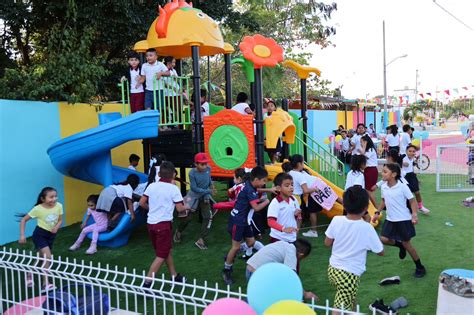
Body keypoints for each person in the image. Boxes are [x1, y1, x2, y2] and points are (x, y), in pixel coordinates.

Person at [325, 186, 384, 313]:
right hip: (349, 275)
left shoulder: (336, 220)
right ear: (365, 209)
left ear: (344, 206)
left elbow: (327, 242)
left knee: (349, 298)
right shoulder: (367, 228)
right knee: (339, 309)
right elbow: (380, 251)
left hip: (333, 270)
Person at [372, 163, 426, 278]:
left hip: (403, 219)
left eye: (385, 171)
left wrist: (414, 214)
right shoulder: (384, 186)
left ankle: (420, 267)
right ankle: (399, 245)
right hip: (390, 219)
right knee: (383, 239)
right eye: (383, 171)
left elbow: (412, 201)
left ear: (394, 174)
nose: (382, 173)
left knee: (408, 244)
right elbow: (383, 201)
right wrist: (377, 212)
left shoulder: (402, 187)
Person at [140, 161, 188, 286]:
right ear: (173, 174)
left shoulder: (151, 186)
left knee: (166, 251)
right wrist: (187, 206)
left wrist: (151, 209)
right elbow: (179, 209)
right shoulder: (173, 189)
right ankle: (147, 283)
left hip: (151, 224)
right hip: (163, 226)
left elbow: (141, 203)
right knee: (161, 255)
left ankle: (174, 276)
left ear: (159, 173)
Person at [222, 166, 269, 285]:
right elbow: (256, 207)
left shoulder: (249, 184)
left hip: (244, 221)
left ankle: (229, 255)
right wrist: (268, 201)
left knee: (251, 242)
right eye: (264, 181)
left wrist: (269, 190)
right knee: (236, 247)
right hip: (238, 222)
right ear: (257, 179)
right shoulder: (249, 189)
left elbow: (256, 192)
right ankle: (227, 270)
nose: (264, 183)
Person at [19, 187, 63, 292]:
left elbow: (60, 220)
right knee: (47, 257)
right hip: (40, 234)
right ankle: (45, 284)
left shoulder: (59, 206)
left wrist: (56, 227)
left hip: (51, 235)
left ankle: (29, 275)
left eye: (55, 196)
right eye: (51, 197)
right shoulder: (38, 209)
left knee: (40, 258)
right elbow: (23, 220)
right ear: (43, 199)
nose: (54, 199)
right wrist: (22, 235)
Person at [246, 239, 317, 300]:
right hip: (258, 274)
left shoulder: (284, 244)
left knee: (255, 298)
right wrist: (305, 294)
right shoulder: (291, 252)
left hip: (250, 269)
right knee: (265, 299)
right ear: (301, 254)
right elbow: (291, 277)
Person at [175, 153, 214, 249]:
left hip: (205, 196)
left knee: (208, 217)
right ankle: (178, 231)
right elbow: (194, 188)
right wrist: (208, 190)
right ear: (196, 164)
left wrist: (211, 185)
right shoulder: (192, 173)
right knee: (188, 217)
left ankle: (201, 239)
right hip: (194, 196)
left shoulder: (208, 169)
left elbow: (209, 179)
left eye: (206, 163)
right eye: (202, 164)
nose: (205, 166)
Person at [285, 155, 322, 238]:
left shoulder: (290, 173)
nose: (303, 165)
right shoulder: (300, 175)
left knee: (291, 217)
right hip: (296, 199)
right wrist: (314, 189)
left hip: (289, 197)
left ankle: (289, 234)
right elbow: (305, 190)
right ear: (299, 164)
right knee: (298, 218)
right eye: (303, 162)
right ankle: (294, 236)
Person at [266, 173, 300, 243]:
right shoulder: (275, 203)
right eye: (287, 185)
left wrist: (297, 215)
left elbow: (297, 217)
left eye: (292, 185)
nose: (291, 187)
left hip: (291, 237)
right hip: (278, 238)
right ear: (278, 188)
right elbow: (270, 221)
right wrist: (284, 229)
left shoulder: (294, 199)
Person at [402, 145, 430, 214]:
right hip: (404, 178)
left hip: (412, 176)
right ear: (406, 151)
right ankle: (405, 208)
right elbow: (398, 162)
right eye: (410, 151)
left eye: (413, 151)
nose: (411, 152)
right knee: (406, 194)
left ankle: (420, 207)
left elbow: (411, 165)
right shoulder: (403, 157)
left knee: (417, 192)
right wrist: (401, 163)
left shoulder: (413, 158)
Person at [360, 135, 378, 207]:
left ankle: (377, 208)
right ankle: (371, 207)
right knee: (367, 190)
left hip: (371, 170)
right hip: (368, 170)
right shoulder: (368, 150)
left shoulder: (370, 149)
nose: (361, 144)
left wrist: (363, 147)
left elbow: (365, 156)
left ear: (366, 142)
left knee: (368, 190)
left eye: (362, 142)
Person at [264, 98, 281, 163]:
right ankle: (273, 161)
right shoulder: (266, 115)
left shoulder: (277, 115)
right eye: (268, 106)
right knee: (269, 150)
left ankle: (274, 161)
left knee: (274, 150)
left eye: (271, 106)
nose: (270, 107)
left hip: (275, 135)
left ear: (275, 107)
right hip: (268, 136)